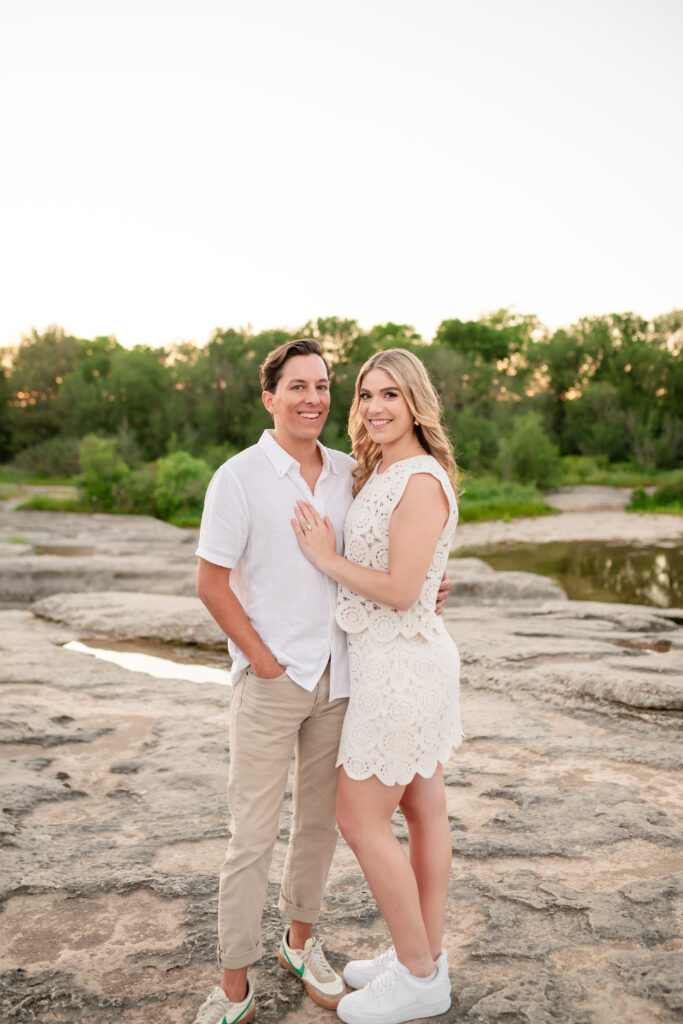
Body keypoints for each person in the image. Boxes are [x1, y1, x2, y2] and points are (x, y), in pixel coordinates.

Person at [192, 338, 451, 1024]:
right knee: (250, 836)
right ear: (269, 396)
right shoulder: (238, 477)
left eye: (324, 385)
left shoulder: (350, 472)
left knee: (318, 829)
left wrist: (425, 584)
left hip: (343, 681)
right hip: (272, 680)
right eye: (297, 386)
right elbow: (210, 584)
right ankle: (233, 988)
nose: (314, 398)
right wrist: (262, 659)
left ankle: (299, 945)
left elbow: (396, 552)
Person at [291, 348, 462, 1024]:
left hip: (401, 669)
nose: (374, 408)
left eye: (389, 394)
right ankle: (419, 952)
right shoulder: (384, 470)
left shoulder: (418, 478)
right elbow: (413, 577)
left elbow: (397, 589)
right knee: (422, 813)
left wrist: (325, 559)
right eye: (365, 395)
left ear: (415, 401)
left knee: (358, 818)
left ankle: (419, 978)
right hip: (393, 658)